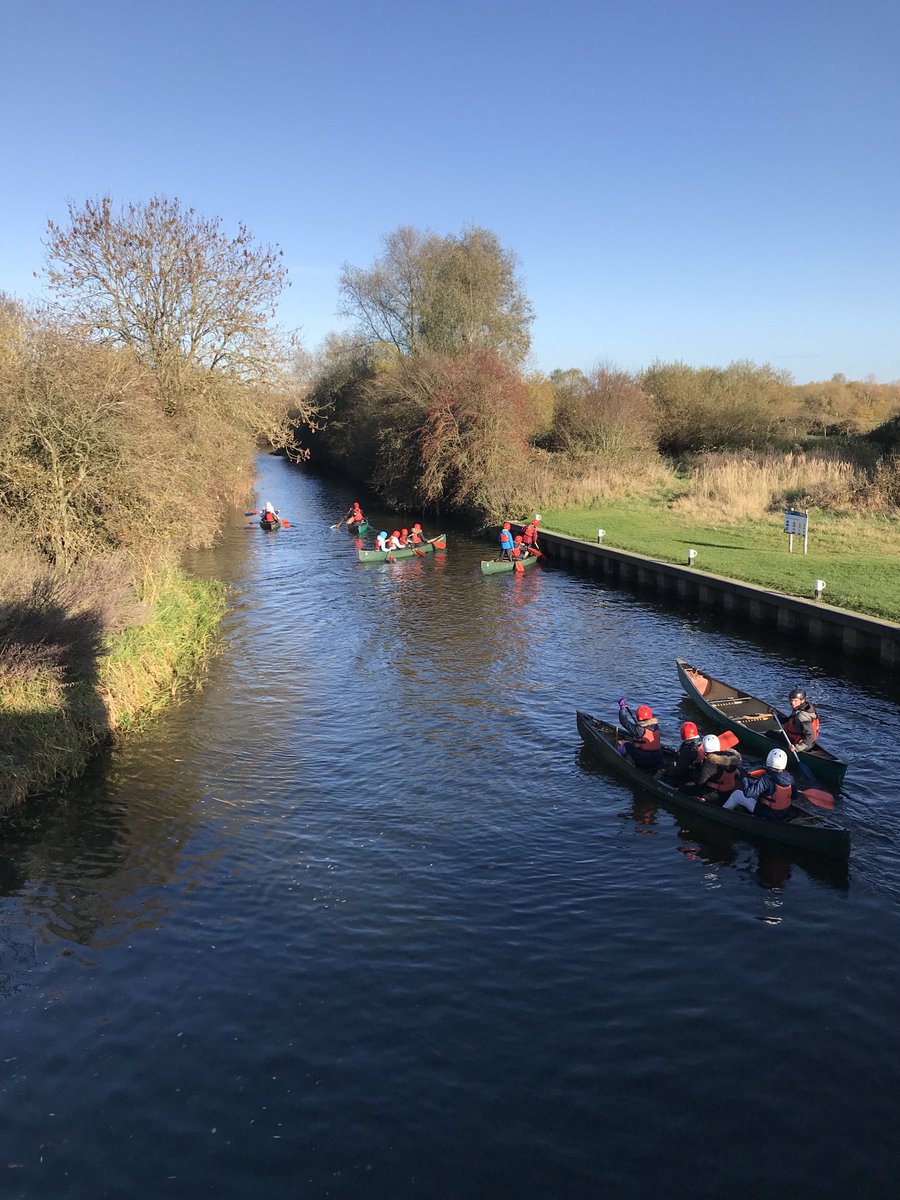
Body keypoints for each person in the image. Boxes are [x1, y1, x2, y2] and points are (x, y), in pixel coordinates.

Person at [723, 748, 795, 820]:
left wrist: (744, 777)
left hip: (766, 813)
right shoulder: (790, 778)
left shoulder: (767, 779)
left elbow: (748, 793)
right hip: (783, 812)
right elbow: (794, 796)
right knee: (759, 793)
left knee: (737, 794)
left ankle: (722, 814)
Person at [690, 733, 742, 802]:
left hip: (714, 794)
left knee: (684, 788)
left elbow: (700, 782)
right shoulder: (731, 757)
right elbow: (737, 774)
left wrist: (696, 767)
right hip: (730, 790)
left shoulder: (709, 762)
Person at [617, 700, 663, 772]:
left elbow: (624, 721)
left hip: (643, 760)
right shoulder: (656, 727)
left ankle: (619, 761)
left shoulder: (638, 729)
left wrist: (622, 708)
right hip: (658, 758)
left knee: (625, 745)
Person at [781, 687, 819, 752]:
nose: (792, 703)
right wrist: (776, 715)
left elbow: (810, 736)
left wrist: (796, 748)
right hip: (809, 743)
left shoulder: (802, 716)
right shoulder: (804, 708)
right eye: (791, 700)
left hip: (802, 744)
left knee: (769, 734)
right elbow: (789, 720)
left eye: (795, 700)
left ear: (802, 701)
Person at [664, 721, 702, 786]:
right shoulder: (701, 742)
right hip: (698, 773)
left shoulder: (687, 749)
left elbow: (681, 769)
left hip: (689, 775)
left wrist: (669, 773)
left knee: (665, 777)